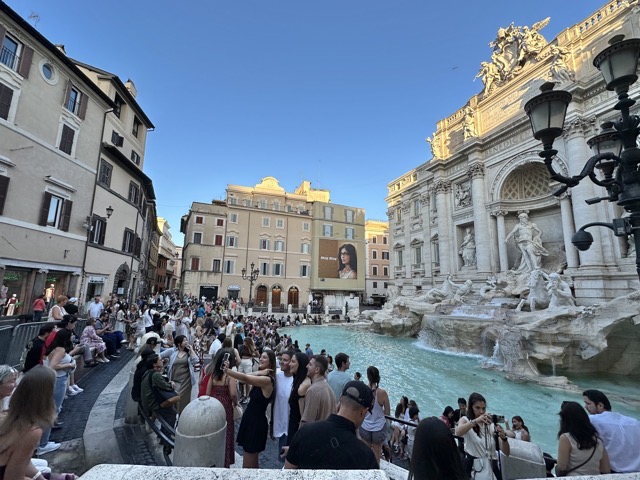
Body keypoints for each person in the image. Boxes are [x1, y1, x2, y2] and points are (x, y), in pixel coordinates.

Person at [285, 381, 378, 470]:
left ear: (340, 399)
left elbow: (288, 471)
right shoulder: (366, 457)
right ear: (364, 412)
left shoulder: (305, 432)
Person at [0, 366, 59, 478]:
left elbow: (19, 459)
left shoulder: (7, 415)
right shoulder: (31, 431)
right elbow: (13, 477)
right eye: (12, 381)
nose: (15, 385)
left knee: (44, 467)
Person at [224, 350, 276, 468]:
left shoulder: (267, 380)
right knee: (251, 459)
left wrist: (228, 371)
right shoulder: (263, 376)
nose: (260, 359)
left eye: (264, 357)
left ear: (271, 362)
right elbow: (244, 379)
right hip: (252, 420)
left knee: (248, 461)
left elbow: (245, 378)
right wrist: (259, 372)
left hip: (255, 423)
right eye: (261, 356)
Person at [455, 392, 510, 480]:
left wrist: (504, 438)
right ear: (471, 408)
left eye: (483, 408)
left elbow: (506, 452)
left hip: (492, 466)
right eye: (477, 408)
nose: (481, 411)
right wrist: (476, 421)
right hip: (474, 468)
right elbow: (458, 432)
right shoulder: (465, 420)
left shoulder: (490, 424)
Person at [583, 389, 640, 473]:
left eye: (588, 403)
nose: (585, 407)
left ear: (600, 405)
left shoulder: (592, 420)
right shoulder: (634, 422)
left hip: (613, 470)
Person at [204, 349, 238, 468]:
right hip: (226, 406)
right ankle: (225, 461)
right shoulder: (230, 375)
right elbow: (233, 394)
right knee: (227, 432)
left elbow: (207, 393)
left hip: (213, 404)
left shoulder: (213, 374)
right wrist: (236, 403)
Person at [556, 401, 610, 476]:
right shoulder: (598, 440)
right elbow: (605, 470)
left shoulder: (566, 438)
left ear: (564, 420)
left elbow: (561, 468)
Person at [160, 335, 199, 414]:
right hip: (174, 379)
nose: (186, 342)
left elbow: (195, 361)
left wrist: (191, 350)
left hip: (186, 380)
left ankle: (182, 414)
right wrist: (163, 364)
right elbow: (160, 356)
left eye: (186, 340)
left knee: (183, 398)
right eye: (184, 341)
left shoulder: (188, 352)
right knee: (175, 397)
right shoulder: (172, 351)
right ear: (179, 343)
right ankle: (174, 414)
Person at [140, 354, 177, 437]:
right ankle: (166, 436)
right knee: (171, 413)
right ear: (154, 364)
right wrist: (171, 384)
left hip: (147, 401)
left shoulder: (147, 372)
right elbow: (166, 387)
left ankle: (164, 433)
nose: (162, 360)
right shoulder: (155, 374)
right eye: (160, 360)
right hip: (153, 404)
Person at [359, 366, 390, 465]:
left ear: (368, 377)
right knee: (377, 455)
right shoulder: (383, 393)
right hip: (378, 428)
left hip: (365, 426)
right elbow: (387, 412)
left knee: (365, 453)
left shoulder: (363, 390)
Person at [300, 355, 336, 426]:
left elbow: (307, 422)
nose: (307, 366)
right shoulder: (328, 388)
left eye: (310, 364)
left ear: (317, 370)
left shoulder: (313, 391)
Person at [271, 349, 293, 462]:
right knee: (282, 458)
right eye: (281, 359)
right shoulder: (276, 375)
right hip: (280, 422)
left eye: (285, 360)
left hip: (292, 425)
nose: (281, 362)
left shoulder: (298, 380)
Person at [287, 352, 310, 443]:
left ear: (300, 365)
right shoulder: (301, 380)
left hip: (296, 429)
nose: (290, 364)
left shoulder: (302, 387)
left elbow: (302, 415)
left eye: (293, 361)